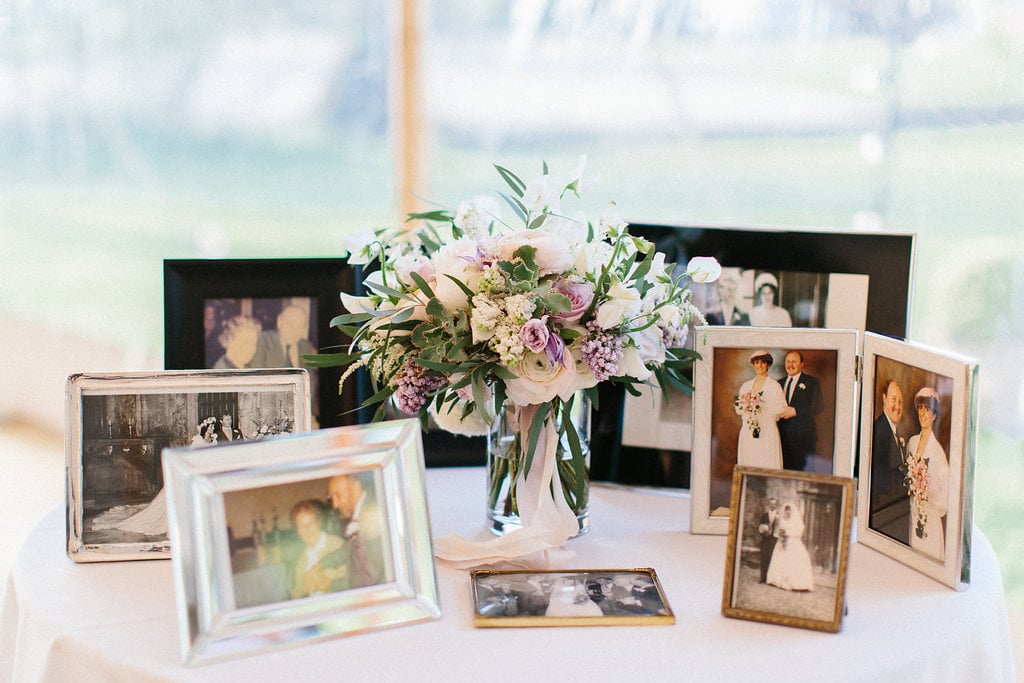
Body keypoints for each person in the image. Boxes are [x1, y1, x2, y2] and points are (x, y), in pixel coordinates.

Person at [906, 387, 950, 561]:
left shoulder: (938, 453)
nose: (923, 414)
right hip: (911, 516)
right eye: (920, 408)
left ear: (934, 415)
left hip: (929, 523)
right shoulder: (912, 443)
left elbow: (944, 498)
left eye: (928, 409)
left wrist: (927, 505)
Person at [327, 474, 388, 588]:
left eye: (338, 495)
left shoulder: (374, 513)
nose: (335, 505)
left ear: (355, 488)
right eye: (331, 497)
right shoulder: (357, 515)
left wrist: (331, 584)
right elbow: (348, 549)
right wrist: (323, 563)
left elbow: (375, 577)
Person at [869, 379, 911, 544]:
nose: (897, 406)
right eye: (894, 399)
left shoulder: (893, 431)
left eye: (900, 402)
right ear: (884, 398)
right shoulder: (879, 431)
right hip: (883, 518)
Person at [734, 349, 787, 469]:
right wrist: (748, 406)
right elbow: (738, 409)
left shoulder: (774, 386)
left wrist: (761, 408)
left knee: (767, 462)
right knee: (749, 462)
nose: (760, 366)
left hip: (767, 431)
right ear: (753, 365)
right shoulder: (746, 386)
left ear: (768, 365)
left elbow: (781, 410)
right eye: (757, 362)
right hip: (748, 431)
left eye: (763, 362)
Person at [289, 499, 347, 599]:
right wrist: (304, 591)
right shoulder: (301, 559)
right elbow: (297, 594)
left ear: (319, 523)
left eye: (310, 523)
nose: (307, 529)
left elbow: (352, 582)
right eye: (301, 526)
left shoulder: (337, 545)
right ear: (297, 531)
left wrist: (327, 586)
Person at [777, 351, 824, 471]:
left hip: (803, 438)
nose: (790, 365)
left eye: (794, 362)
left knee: (802, 473)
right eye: (788, 361)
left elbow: (818, 406)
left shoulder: (811, 382)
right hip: (782, 438)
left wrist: (796, 411)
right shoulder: (779, 383)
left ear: (802, 364)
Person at [766, 502, 816, 591]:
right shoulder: (782, 520)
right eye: (786, 510)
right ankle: (777, 580)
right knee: (780, 558)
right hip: (782, 542)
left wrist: (788, 534)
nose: (787, 512)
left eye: (789, 510)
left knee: (794, 561)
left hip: (793, 541)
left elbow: (799, 531)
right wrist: (781, 536)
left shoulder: (796, 520)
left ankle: (798, 584)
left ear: (792, 511)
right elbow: (778, 530)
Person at [250, 304, 316, 369]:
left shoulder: (306, 346)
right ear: (279, 321)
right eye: (290, 324)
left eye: (299, 327)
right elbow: (257, 373)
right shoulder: (263, 341)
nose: (294, 331)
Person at [757, 497, 780, 583]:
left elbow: (781, 528)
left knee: (772, 558)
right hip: (765, 540)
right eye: (771, 504)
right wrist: (764, 532)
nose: (772, 505)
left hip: (774, 540)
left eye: (774, 504)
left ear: (776, 505)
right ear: (769, 504)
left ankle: (770, 578)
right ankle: (762, 578)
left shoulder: (779, 516)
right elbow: (760, 527)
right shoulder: (764, 516)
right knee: (764, 558)